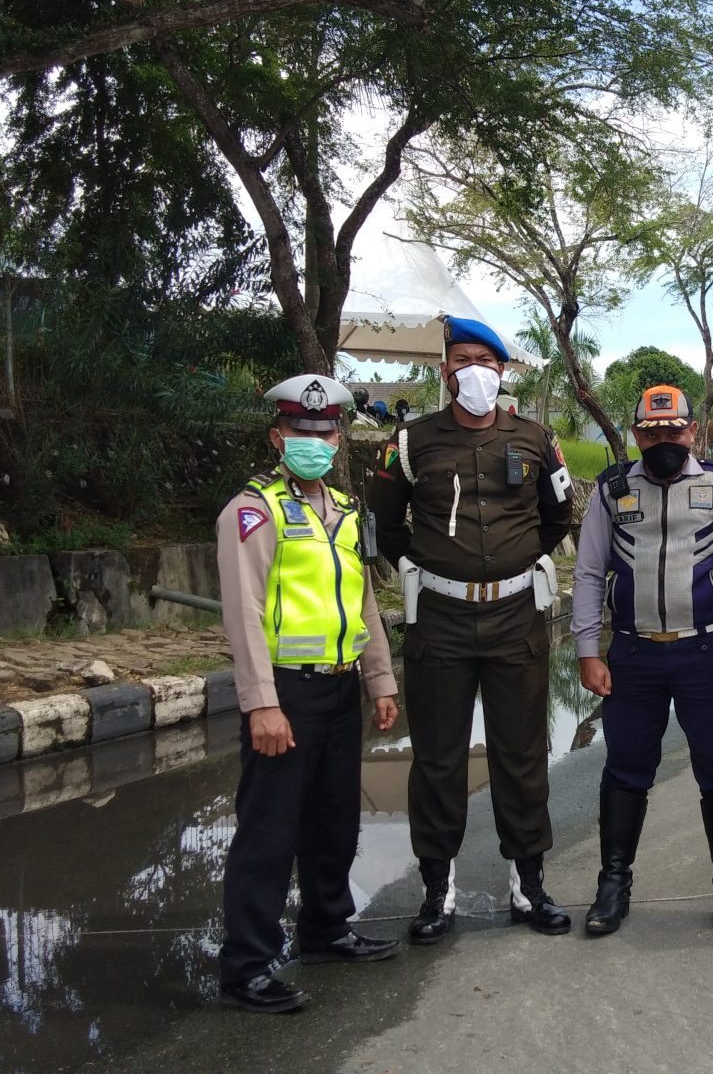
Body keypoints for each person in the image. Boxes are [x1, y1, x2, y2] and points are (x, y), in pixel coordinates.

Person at [364, 315, 576, 940]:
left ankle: (528, 886)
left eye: (485, 360)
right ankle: (438, 892)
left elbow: (559, 515)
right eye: (461, 360)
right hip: (441, 620)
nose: (473, 370)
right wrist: (420, 570)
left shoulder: (538, 440)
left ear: (503, 371)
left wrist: (518, 560)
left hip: (516, 619)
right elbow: (383, 525)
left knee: (521, 753)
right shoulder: (410, 442)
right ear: (444, 371)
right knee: (436, 758)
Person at [214, 373, 402, 1014]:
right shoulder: (253, 511)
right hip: (285, 695)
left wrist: (379, 679)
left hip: (340, 687)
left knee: (333, 820)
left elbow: (365, 602)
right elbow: (243, 614)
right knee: (269, 831)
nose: (314, 441)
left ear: (339, 436)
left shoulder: (347, 513)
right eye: (301, 431)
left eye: (325, 432)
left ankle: (325, 929)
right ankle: (245, 967)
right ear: (277, 436)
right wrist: (261, 702)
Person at [573, 385, 713, 937]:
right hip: (633, 653)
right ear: (636, 435)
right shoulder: (611, 490)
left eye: (673, 431)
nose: (663, 442)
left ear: (692, 432)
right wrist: (588, 650)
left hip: (706, 652)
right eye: (652, 433)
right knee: (625, 770)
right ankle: (613, 885)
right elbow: (587, 574)